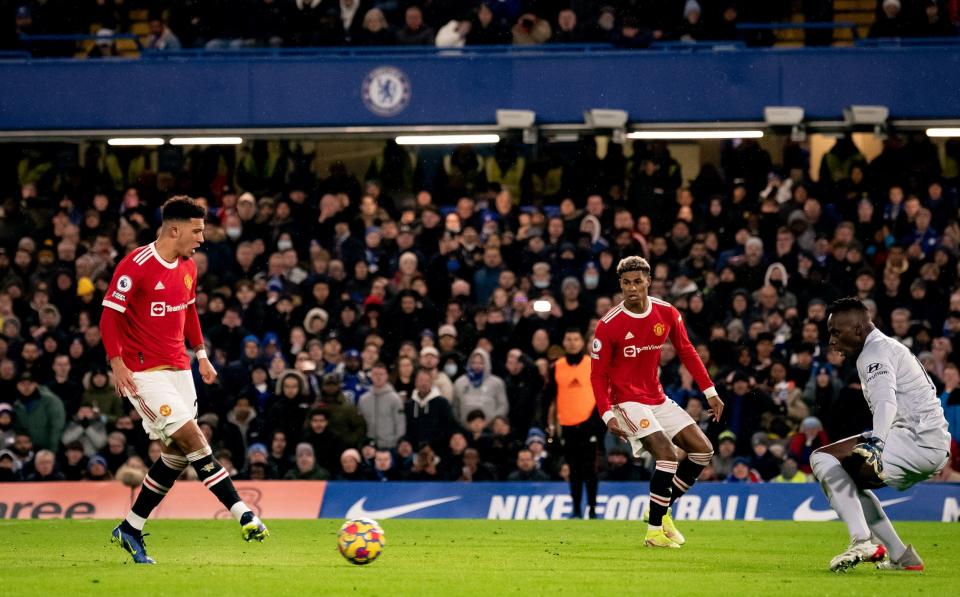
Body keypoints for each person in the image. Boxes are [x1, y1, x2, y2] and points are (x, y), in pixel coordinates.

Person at [99, 197, 268, 564]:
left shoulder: (189, 266)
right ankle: (242, 513)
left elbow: (188, 309)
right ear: (174, 229)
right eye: (197, 230)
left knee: (176, 455)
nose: (202, 238)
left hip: (180, 369)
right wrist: (117, 364)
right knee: (193, 436)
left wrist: (202, 356)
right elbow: (109, 316)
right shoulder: (136, 266)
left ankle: (130, 527)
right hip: (143, 373)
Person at [590, 256, 723, 548]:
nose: (632, 288)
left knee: (702, 451)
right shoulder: (608, 325)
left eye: (638, 281)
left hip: (657, 397)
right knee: (668, 455)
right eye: (626, 283)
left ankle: (658, 510)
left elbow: (687, 351)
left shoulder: (666, 312)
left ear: (649, 281)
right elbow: (597, 376)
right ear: (620, 285)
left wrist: (710, 392)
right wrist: (606, 415)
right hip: (625, 401)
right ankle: (653, 533)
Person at [815, 297, 951, 572]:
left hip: (916, 440)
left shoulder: (873, 353)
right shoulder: (883, 346)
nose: (831, 341)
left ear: (857, 329)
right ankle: (902, 556)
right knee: (846, 477)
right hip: (928, 442)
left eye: (835, 332)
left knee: (822, 459)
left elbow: (885, 400)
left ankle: (862, 540)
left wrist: (877, 442)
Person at [545, 328, 605, 519]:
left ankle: (593, 509)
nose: (572, 342)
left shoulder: (592, 364)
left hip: (590, 425)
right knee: (574, 470)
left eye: (575, 339)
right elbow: (547, 396)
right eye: (568, 339)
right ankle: (577, 510)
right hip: (568, 426)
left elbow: (603, 394)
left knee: (591, 470)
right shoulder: (556, 367)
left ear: (582, 342)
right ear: (564, 342)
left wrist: (596, 421)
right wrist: (545, 421)